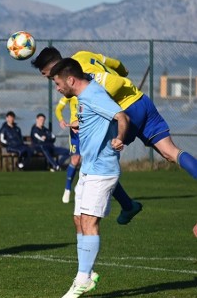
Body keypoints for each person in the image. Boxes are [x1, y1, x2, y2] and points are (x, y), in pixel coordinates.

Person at [33, 46, 197, 220]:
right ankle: (128, 206)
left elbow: (109, 85)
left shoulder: (76, 80)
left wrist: (85, 117)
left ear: (53, 67)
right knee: (170, 152)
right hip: (140, 100)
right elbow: (117, 65)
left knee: (99, 162)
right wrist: (123, 73)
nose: (49, 79)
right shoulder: (84, 55)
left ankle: (128, 206)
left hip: (123, 113)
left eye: (47, 75)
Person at [49, 58, 130, 298]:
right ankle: (87, 271)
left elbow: (122, 117)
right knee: (78, 219)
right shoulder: (83, 99)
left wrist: (120, 139)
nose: (57, 88)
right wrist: (77, 123)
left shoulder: (94, 94)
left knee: (89, 221)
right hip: (88, 169)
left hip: (102, 170)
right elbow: (94, 118)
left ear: (70, 80)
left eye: (57, 83)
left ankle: (83, 277)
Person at [55, 95, 82, 203]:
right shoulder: (70, 93)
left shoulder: (89, 89)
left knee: (91, 158)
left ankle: (81, 186)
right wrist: (61, 120)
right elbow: (58, 109)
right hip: (75, 131)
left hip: (88, 129)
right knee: (75, 159)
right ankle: (67, 188)